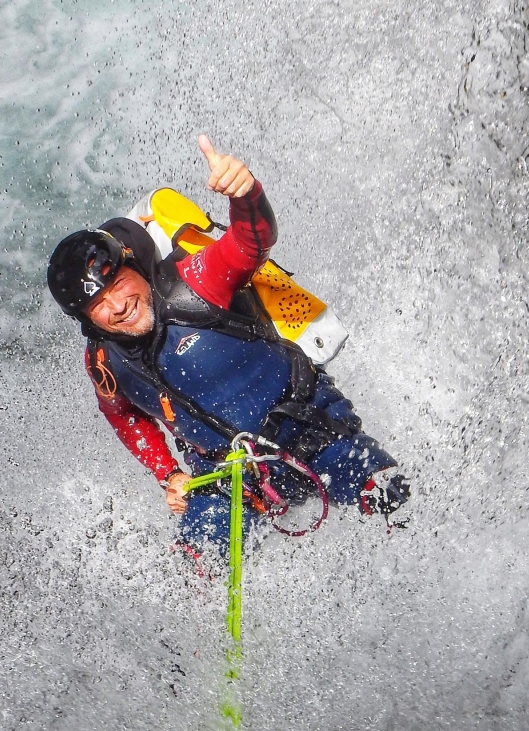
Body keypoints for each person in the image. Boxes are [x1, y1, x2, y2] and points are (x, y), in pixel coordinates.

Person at [47, 135, 409, 552]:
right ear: (86, 320)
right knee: (190, 572)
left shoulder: (194, 282)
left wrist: (245, 193)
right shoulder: (104, 362)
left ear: (134, 266)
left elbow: (251, 242)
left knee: (397, 504)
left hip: (318, 436)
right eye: (97, 304)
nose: (118, 305)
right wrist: (168, 474)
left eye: (117, 284)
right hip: (231, 483)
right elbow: (123, 417)